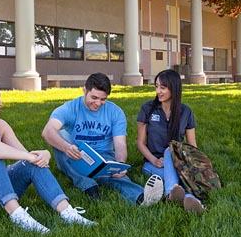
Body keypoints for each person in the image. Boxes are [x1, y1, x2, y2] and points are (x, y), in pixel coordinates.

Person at [0, 80, 96, 234]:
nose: (1, 103)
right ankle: (19, 216)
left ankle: (68, 212)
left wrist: (41, 155)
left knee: (32, 164)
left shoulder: (0, 125)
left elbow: (26, 157)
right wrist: (28, 156)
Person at [42, 72, 163, 206]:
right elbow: (48, 131)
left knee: (117, 176)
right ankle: (87, 184)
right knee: (60, 136)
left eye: (103, 99)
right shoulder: (70, 108)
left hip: (104, 156)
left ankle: (142, 197)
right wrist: (66, 147)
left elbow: (120, 144)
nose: (98, 103)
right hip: (76, 154)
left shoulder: (115, 112)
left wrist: (120, 164)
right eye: (94, 97)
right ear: (84, 90)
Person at [136, 69, 205, 214]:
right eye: (156, 86)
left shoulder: (186, 112)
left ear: (174, 88)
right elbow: (140, 143)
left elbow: (192, 145)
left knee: (170, 151)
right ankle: (191, 198)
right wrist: (154, 160)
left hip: (176, 161)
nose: (158, 91)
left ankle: (172, 193)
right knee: (179, 177)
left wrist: (194, 166)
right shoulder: (147, 109)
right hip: (152, 164)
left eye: (163, 87)